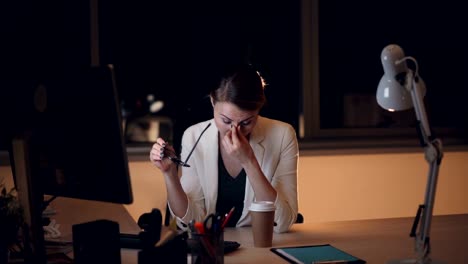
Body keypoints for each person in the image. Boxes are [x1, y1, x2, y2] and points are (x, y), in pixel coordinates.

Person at [149, 64, 298, 233]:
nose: (235, 130)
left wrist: (249, 161)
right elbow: (191, 221)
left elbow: (284, 222)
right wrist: (170, 174)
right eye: (226, 121)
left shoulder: (283, 135)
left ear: (258, 110)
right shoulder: (194, 136)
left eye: (246, 122)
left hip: (258, 246)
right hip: (212, 246)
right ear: (213, 101)